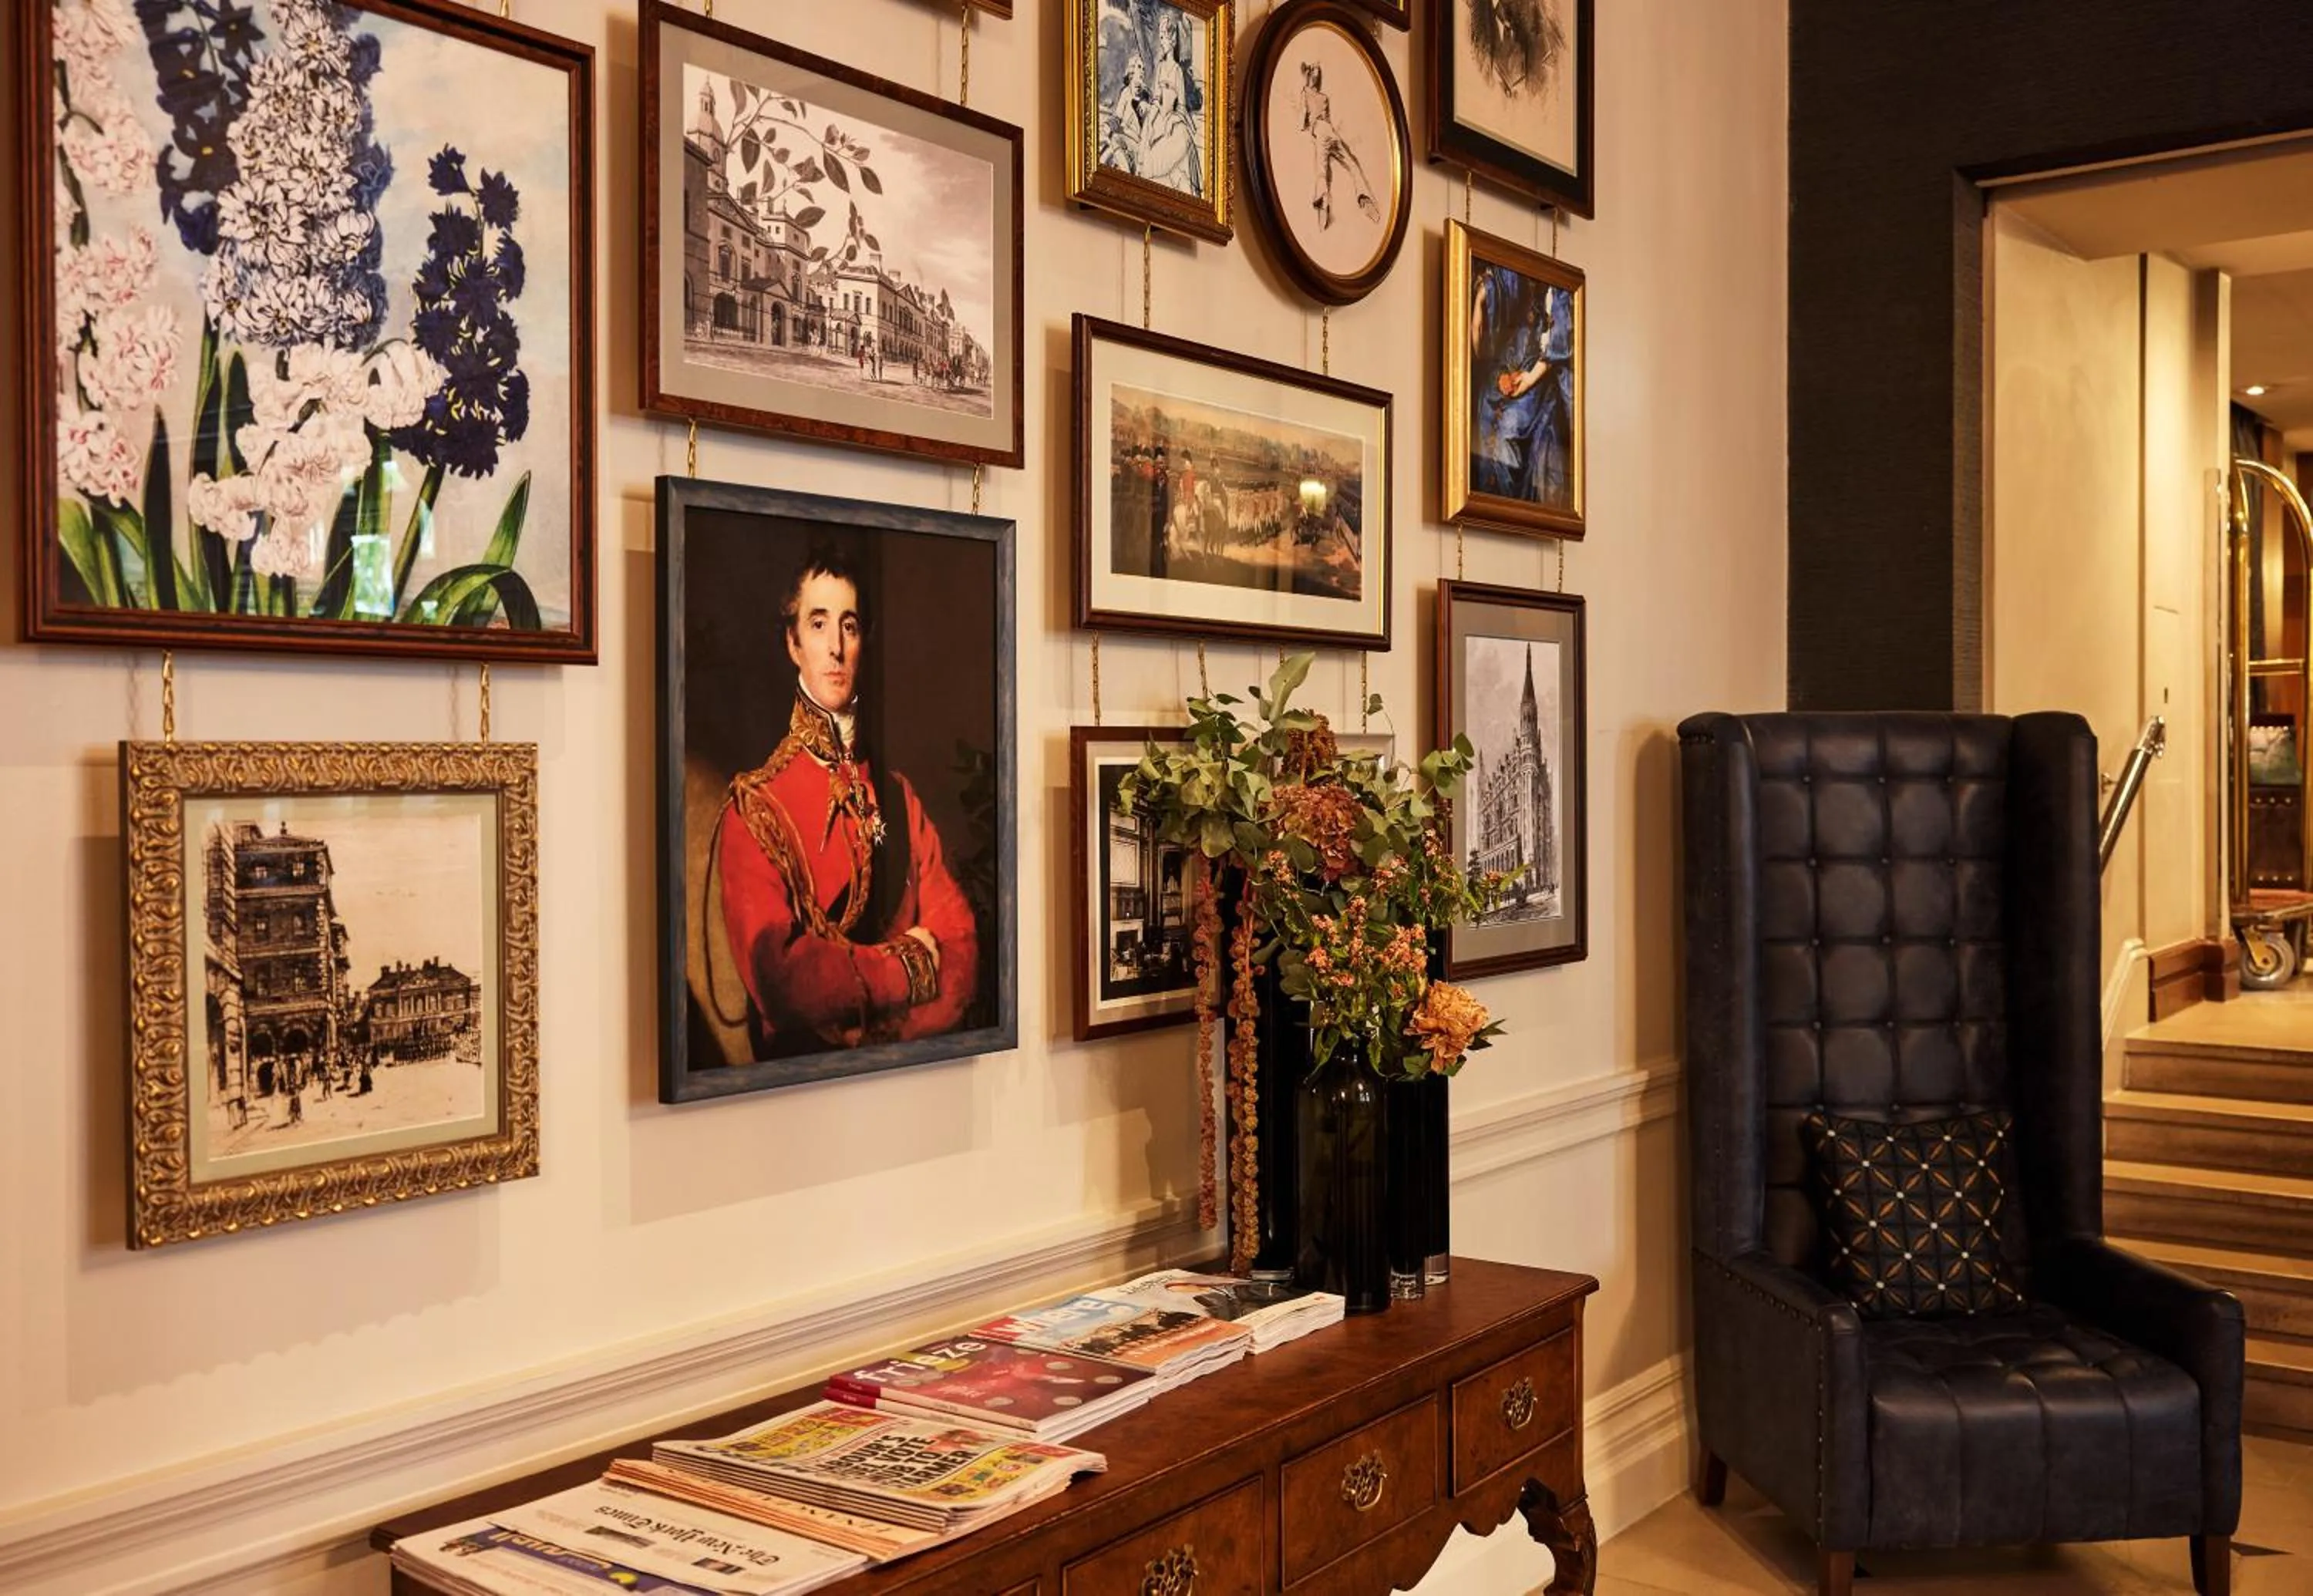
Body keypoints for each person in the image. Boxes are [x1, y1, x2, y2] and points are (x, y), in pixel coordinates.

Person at [715, 548, 980, 1058]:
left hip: (914, 1074)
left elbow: (961, 951)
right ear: (793, 643)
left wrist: (884, 1034)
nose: (836, 647)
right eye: (818, 625)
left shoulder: (898, 797)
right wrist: (907, 969)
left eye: (849, 627)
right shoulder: (756, 811)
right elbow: (782, 983)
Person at [1298, 62, 1381, 230]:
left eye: (1316, 74)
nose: (1316, 78)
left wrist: (1309, 128)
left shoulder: (1306, 94)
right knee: (1351, 164)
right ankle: (1363, 196)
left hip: (1321, 131)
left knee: (1322, 170)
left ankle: (1323, 200)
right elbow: (1325, 118)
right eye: (1315, 74)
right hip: (1330, 131)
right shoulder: (1323, 97)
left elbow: (1302, 122)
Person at [1138, 15, 1203, 195]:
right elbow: (1156, 98)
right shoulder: (1160, 67)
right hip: (1158, 116)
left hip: (1173, 120)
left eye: (1165, 38)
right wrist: (1151, 116)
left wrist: (1172, 121)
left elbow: (1181, 106)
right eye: (1160, 38)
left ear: (1173, 41)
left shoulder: (1177, 71)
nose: (1162, 42)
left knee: (1179, 142)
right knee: (1148, 135)